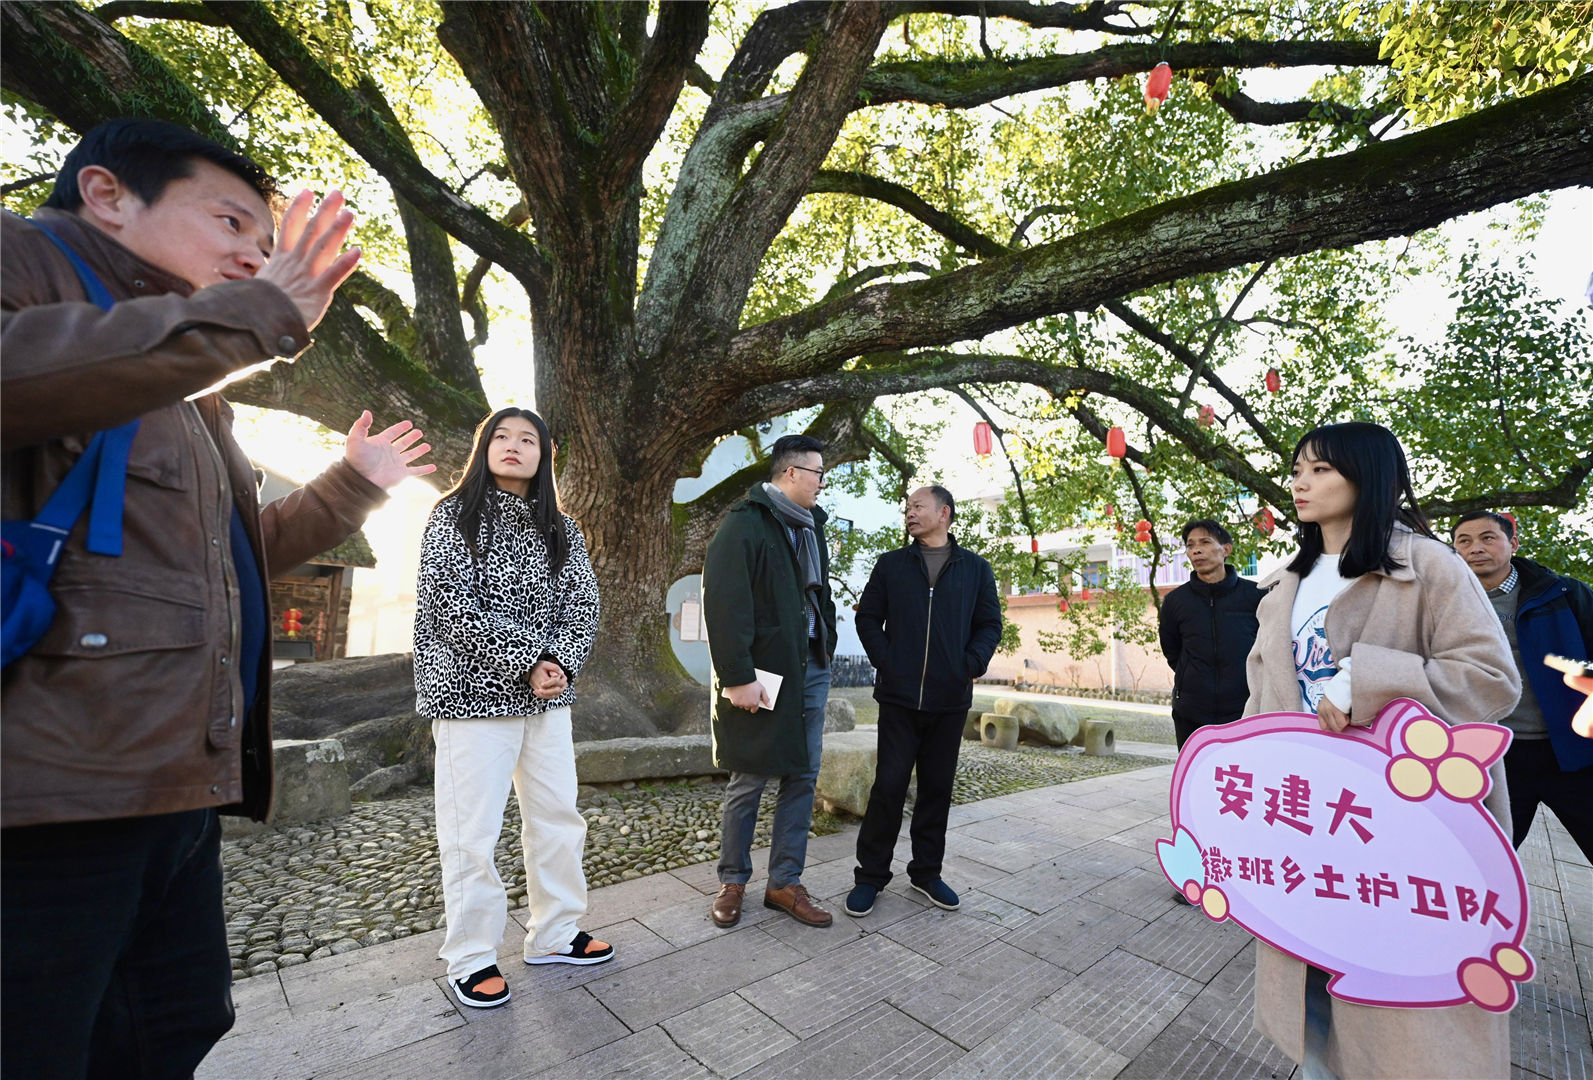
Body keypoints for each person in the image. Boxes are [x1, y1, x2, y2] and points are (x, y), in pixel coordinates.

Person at [1, 118, 435, 1079]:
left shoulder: (197, 388)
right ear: (109, 194)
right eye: (233, 221)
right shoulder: (23, 264)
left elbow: (241, 558)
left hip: (172, 785)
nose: (253, 254)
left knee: (173, 1024)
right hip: (46, 792)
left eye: (267, 245)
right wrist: (255, 313)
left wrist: (351, 486)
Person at [1243, 422, 1520, 1080]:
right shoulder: (1285, 582)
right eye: (1297, 469)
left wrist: (1368, 680)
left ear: (1367, 477)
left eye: (1320, 470)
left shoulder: (1427, 564)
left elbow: (1490, 679)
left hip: (1403, 825)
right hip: (1305, 820)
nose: (1299, 483)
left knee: (1405, 1014)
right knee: (1311, 982)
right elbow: (1259, 702)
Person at [412, 407, 611, 1009]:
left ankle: (554, 932)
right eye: (502, 436)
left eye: (529, 439)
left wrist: (560, 663)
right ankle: (471, 956)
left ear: (544, 455)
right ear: (484, 447)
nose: (514, 446)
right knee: (471, 832)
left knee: (557, 816)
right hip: (471, 697)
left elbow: (583, 600)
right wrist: (526, 659)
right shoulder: (453, 515)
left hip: (548, 699)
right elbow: (450, 602)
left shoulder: (562, 527)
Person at [844, 486, 1001, 917]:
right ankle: (870, 877)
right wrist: (888, 660)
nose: (909, 513)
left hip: (950, 699)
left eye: (918, 507)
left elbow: (989, 623)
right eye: (907, 508)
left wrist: (970, 663)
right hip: (898, 697)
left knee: (937, 788)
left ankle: (926, 872)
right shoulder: (892, 564)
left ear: (943, 513)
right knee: (889, 786)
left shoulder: (975, 569)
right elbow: (867, 617)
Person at [702, 434, 838, 929]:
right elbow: (723, 602)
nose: (823, 483)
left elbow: (817, 594)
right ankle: (732, 881)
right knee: (750, 775)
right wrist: (737, 677)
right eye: (818, 473)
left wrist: (828, 630)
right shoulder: (745, 524)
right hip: (765, 671)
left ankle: (784, 882)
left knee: (803, 773)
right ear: (790, 473)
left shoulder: (811, 527)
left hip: (812, 666)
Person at [1451, 510, 1593, 859]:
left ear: (1512, 544)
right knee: (1482, 860)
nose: (1475, 548)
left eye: (1488, 538)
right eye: (1464, 542)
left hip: (1572, 751)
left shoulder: (1562, 594)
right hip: (1495, 756)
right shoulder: (1444, 605)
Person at [1157, 518, 1263, 749]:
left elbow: (1268, 648)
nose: (1196, 550)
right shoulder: (1176, 601)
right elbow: (1172, 651)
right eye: (1190, 545)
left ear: (1226, 549)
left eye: (1205, 542)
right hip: (1192, 712)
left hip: (1246, 709)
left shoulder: (1256, 596)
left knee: (1241, 778)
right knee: (1197, 780)